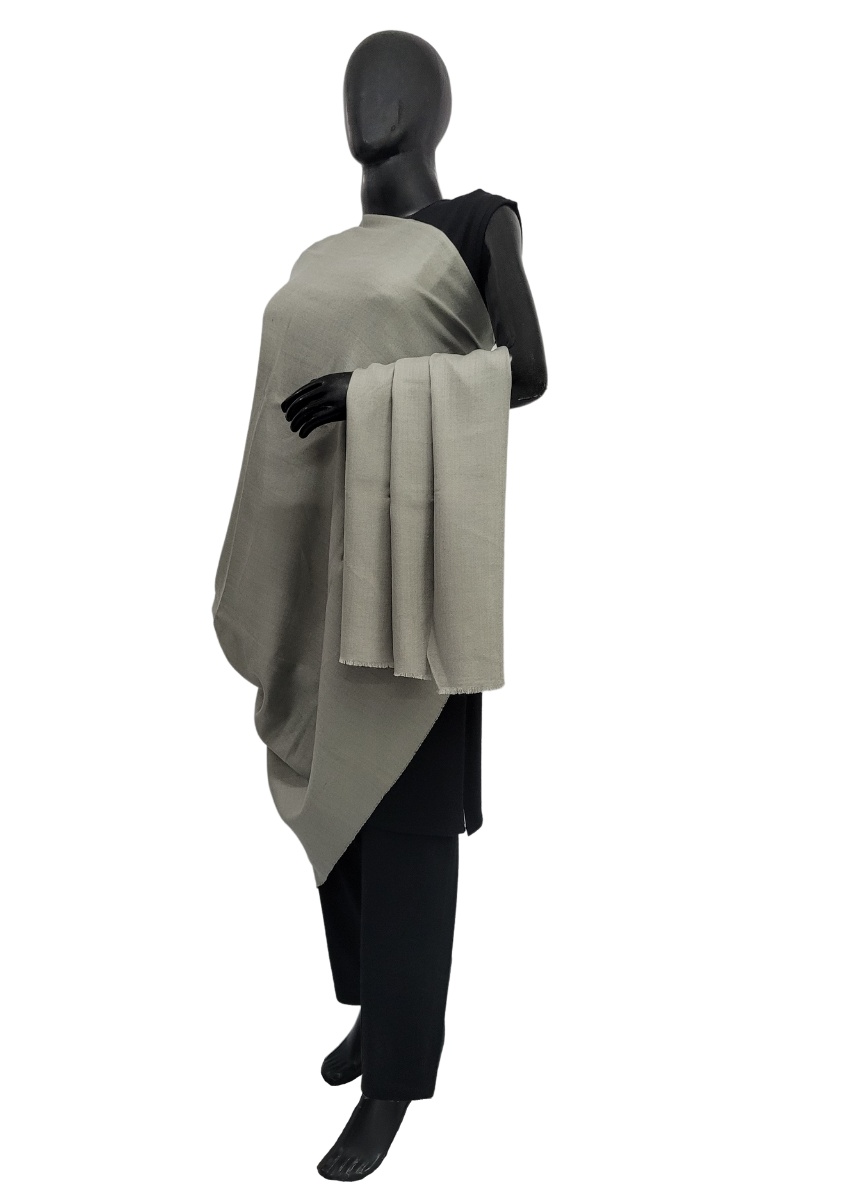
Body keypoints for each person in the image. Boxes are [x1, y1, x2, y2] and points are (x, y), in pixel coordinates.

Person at [213, 29, 546, 1181]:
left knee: (404, 830)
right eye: (359, 86)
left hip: (412, 584)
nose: (374, 105)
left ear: (430, 110)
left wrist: (374, 392)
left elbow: (525, 372)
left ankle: (396, 1081)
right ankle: (371, 1010)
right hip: (320, 568)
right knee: (335, 811)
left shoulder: (479, 224)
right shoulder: (321, 253)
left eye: (394, 88)